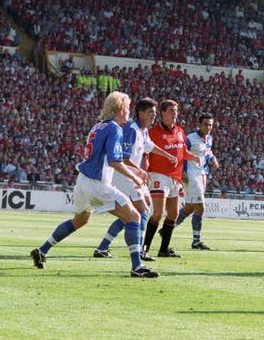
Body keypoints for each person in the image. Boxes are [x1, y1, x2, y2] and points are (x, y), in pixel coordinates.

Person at [30, 91, 159, 278]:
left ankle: (42, 250)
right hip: (98, 184)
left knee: (80, 220)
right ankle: (137, 266)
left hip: (82, 181)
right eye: (127, 108)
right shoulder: (115, 129)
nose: (129, 113)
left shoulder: (98, 126)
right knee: (134, 216)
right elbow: (115, 161)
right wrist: (135, 177)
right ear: (119, 109)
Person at [93, 98, 178, 261]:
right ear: (141, 113)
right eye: (151, 112)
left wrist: (168, 155)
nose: (154, 116)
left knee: (132, 213)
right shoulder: (131, 129)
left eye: (154, 112)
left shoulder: (143, 130)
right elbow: (123, 158)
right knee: (143, 209)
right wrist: (139, 172)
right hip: (124, 175)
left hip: (132, 175)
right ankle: (139, 251)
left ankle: (103, 247)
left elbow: (150, 146)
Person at [142, 100, 200, 258]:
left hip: (176, 177)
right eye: (171, 111)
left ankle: (163, 250)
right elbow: (144, 151)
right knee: (158, 213)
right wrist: (143, 170)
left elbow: (182, 152)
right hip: (158, 175)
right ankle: (144, 249)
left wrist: (193, 157)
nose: (175, 113)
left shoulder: (180, 131)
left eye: (176, 110)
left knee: (173, 214)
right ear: (163, 113)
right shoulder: (153, 132)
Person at [176, 113, 219, 250]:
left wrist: (213, 159)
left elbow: (208, 152)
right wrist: (182, 172)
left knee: (189, 208)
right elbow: (180, 154)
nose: (208, 127)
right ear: (199, 125)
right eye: (205, 124)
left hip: (202, 175)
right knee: (200, 207)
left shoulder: (209, 138)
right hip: (191, 176)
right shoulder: (190, 138)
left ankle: (167, 229)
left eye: (210, 125)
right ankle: (196, 241)